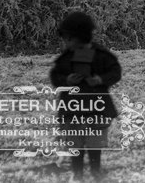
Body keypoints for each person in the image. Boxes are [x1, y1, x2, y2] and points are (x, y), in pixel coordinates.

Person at [51, 11, 121, 181]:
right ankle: (77, 173)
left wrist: (100, 80)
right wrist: (67, 80)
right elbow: (55, 76)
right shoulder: (66, 58)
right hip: (72, 109)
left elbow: (115, 72)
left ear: (78, 37)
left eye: (68, 38)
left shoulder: (102, 56)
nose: (65, 42)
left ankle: (95, 171)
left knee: (94, 142)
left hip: (95, 109)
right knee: (75, 143)